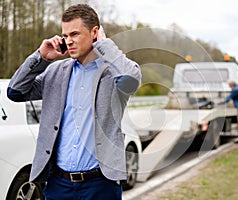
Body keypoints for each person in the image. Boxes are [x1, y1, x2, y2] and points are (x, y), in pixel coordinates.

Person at [7, 4, 141, 200]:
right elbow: (15, 91)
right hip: (58, 185)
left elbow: (131, 79)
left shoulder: (114, 72)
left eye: (75, 34)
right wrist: (41, 57)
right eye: (65, 35)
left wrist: (105, 46)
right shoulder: (55, 72)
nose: (68, 41)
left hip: (101, 185)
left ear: (95, 32)